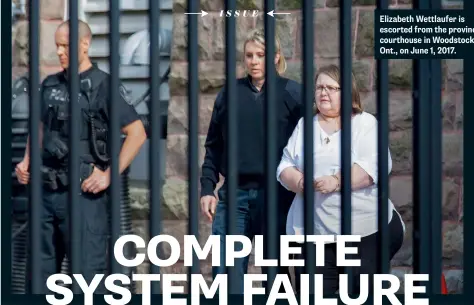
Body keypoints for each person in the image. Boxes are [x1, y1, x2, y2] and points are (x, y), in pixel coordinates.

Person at [15, 20, 147, 293]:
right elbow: (39, 127)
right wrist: (26, 160)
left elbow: (137, 134)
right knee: (38, 280)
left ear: (85, 44)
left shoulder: (103, 85)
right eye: (58, 46)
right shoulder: (50, 85)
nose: (60, 52)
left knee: (87, 281)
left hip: (84, 197)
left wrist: (109, 176)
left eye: (66, 46)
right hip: (45, 194)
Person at [276, 64, 405, 294]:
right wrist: (300, 181)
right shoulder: (306, 125)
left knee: (358, 295)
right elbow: (285, 165)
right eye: (319, 87)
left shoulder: (364, 124)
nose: (323, 92)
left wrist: (336, 181)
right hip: (317, 234)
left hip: (364, 232)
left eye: (331, 88)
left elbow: (373, 167)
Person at [199, 28, 303, 293]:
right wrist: (207, 188)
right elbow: (213, 146)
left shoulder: (293, 93)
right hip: (235, 195)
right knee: (226, 278)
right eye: (249, 55)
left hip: (278, 196)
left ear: (276, 57)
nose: (254, 61)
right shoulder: (228, 94)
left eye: (261, 55)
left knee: (276, 275)